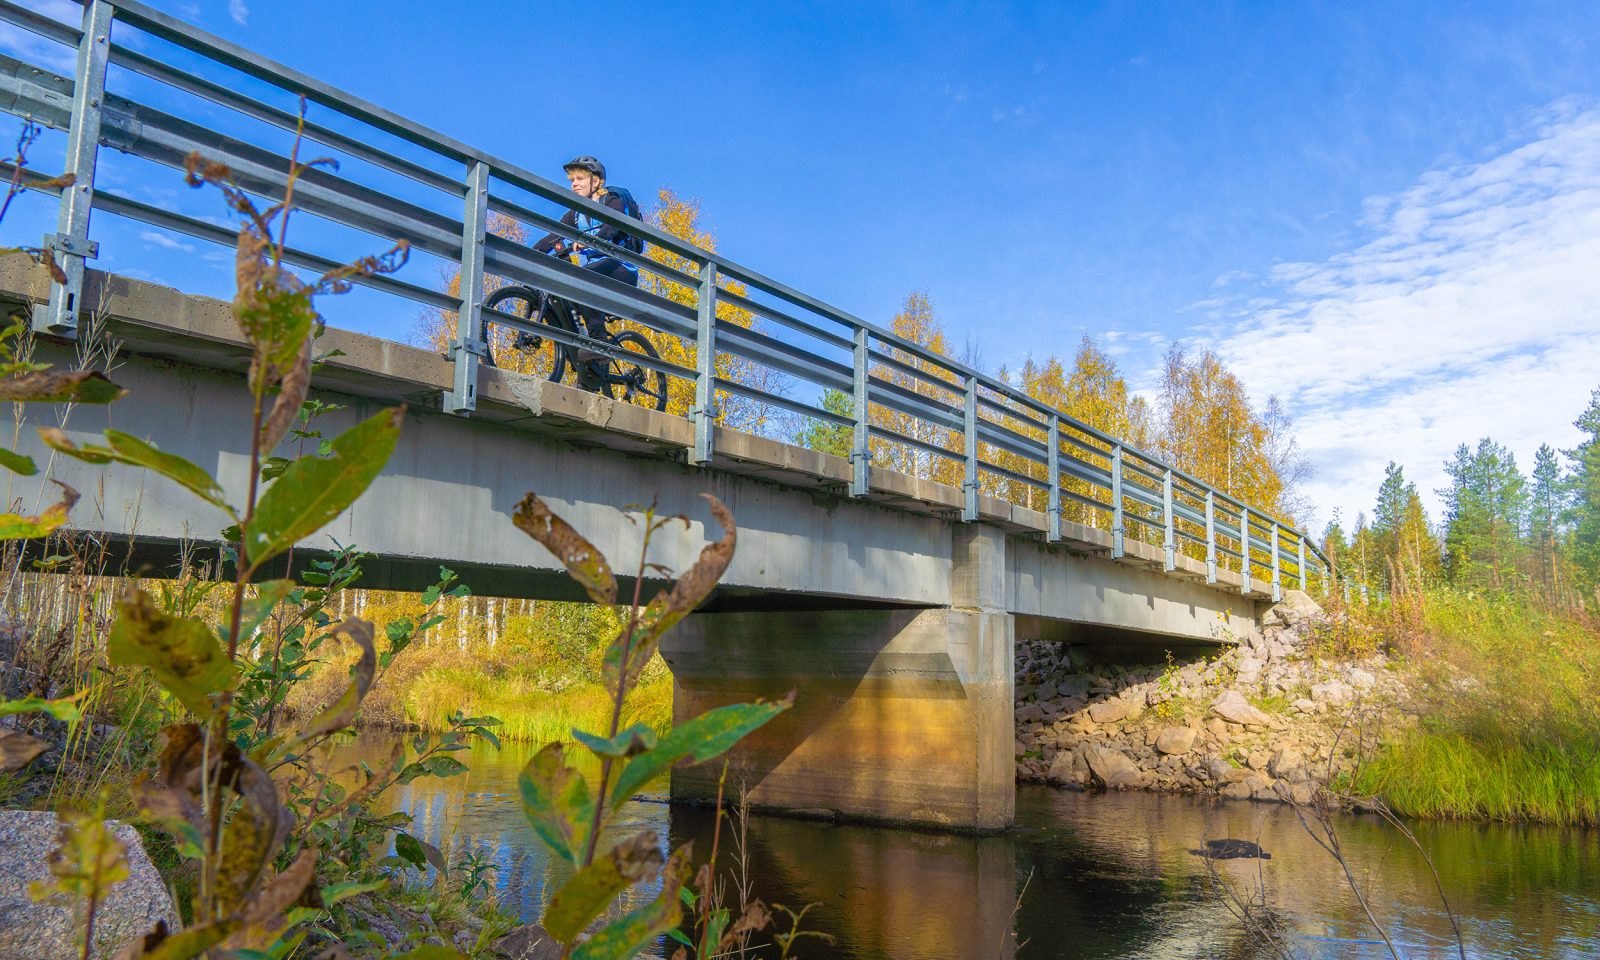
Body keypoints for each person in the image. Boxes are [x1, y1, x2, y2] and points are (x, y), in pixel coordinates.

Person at [529, 156, 644, 384]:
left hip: (621, 268)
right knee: (566, 288)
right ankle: (587, 363)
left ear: (597, 181)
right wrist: (528, 255)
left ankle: (599, 343)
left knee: (582, 278)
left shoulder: (611, 201)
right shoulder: (575, 214)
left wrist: (591, 242)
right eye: (572, 180)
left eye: (580, 178)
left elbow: (611, 229)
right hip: (594, 269)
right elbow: (554, 235)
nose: (574, 184)